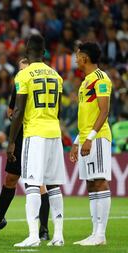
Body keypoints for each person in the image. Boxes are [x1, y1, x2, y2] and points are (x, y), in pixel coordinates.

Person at [7, 34, 65, 247]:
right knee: (53, 186)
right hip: (54, 133)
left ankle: (33, 236)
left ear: (26, 52)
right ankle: (58, 235)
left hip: (35, 133)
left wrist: (12, 141)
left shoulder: (24, 75)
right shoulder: (56, 75)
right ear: (43, 53)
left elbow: (19, 110)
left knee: (32, 183)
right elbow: (58, 110)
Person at [0, 58, 50, 241]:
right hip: (19, 135)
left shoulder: (41, 83)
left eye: (24, 69)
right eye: (20, 70)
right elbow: (11, 111)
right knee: (10, 178)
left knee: (38, 182)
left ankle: (43, 228)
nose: (22, 73)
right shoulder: (18, 84)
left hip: (36, 134)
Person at [70, 42, 112, 246]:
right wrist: (77, 142)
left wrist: (90, 138)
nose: (75, 59)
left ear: (85, 58)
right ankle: (95, 233)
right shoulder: (85, 81)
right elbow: (85, 116)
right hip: (86, 138)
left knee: (100, 181)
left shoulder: (101, 79)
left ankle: (101, 235)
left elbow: (104, 111)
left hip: (98, 138)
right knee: (91, 184)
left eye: (78, 56)